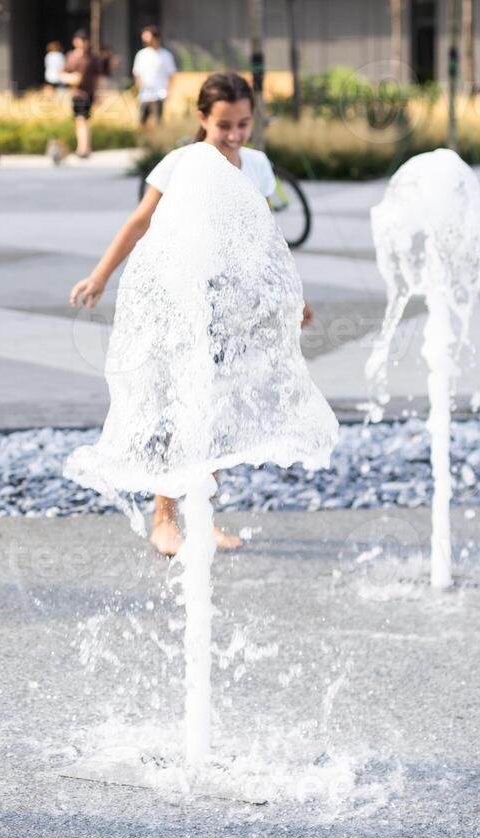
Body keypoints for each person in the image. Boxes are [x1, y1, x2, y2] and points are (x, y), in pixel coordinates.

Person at [68, 71, 314, 556]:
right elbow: (141, 221)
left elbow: (263, 236)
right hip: (179, 298)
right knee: (180, 403)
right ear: (202, 118)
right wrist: (100, 275)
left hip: (229, 303)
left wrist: (292, 296)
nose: (236, 135)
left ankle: (201, 518)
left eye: (244, 124)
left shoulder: (257, 166)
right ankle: (164, 520)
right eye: (225, 124)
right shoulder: (181, 163)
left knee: (216, 406)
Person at [62, 31, 104, 158]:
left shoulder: (92, 58)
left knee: (83, 119)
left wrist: (99, 94)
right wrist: (71, 78)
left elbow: (99, 77)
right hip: (75, 93)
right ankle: (83, 147)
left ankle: (84, 148)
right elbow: (62, 74)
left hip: (88, 92)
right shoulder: (70, 56)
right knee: (79, 120)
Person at [132, 25, 177, 126]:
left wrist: (169, 92)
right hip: (144, 95)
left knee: (158, 123)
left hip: (159, 94)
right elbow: (137, 74)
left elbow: (171, 75)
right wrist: (137, 89)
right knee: (141, 123)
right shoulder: (141, 54)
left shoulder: (166, 55)